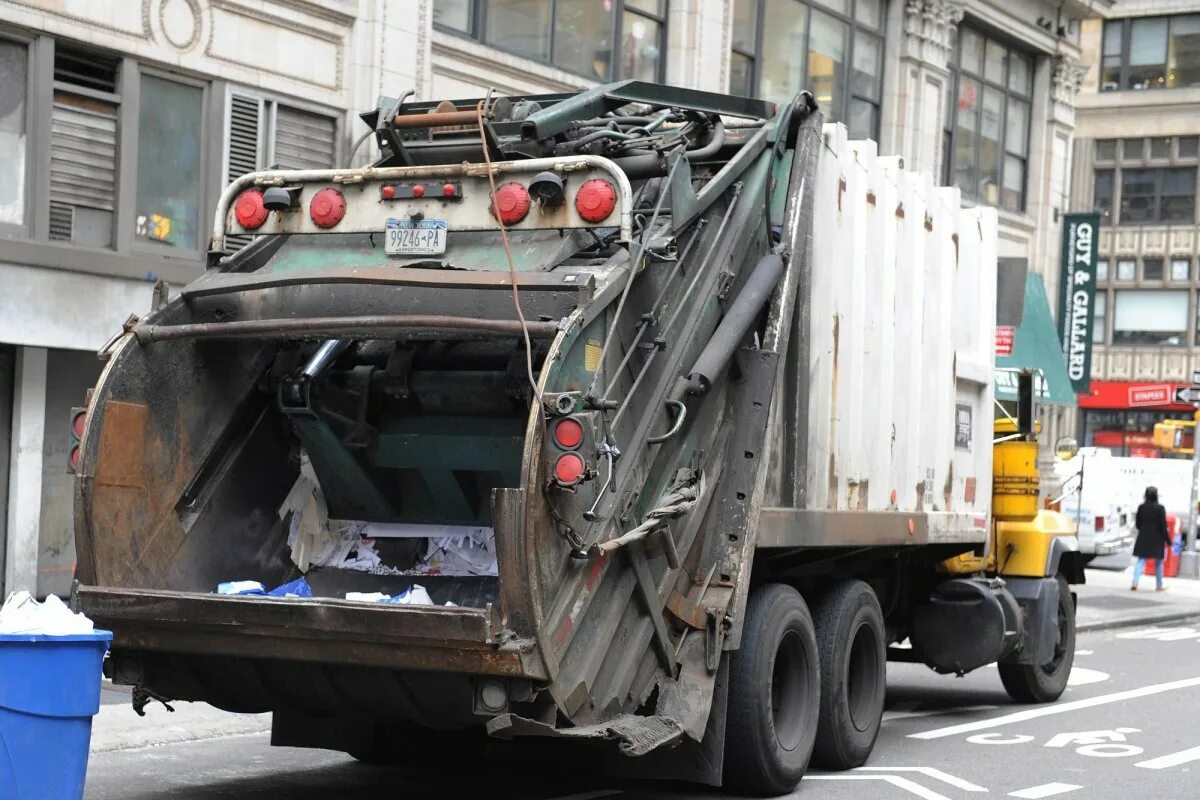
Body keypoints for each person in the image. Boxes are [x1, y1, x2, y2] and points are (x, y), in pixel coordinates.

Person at [1132, 486, 1171, 592]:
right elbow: (1163, 526)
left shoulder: (1141, 507)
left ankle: (1135, 582)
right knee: (1158, 562)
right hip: (1157, 539)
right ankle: (1159, 585)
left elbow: (1138, 524)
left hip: (1144, 537)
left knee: (1141, 560)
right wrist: (1168, 540)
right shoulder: (1160, 508)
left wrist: (1144, 529)